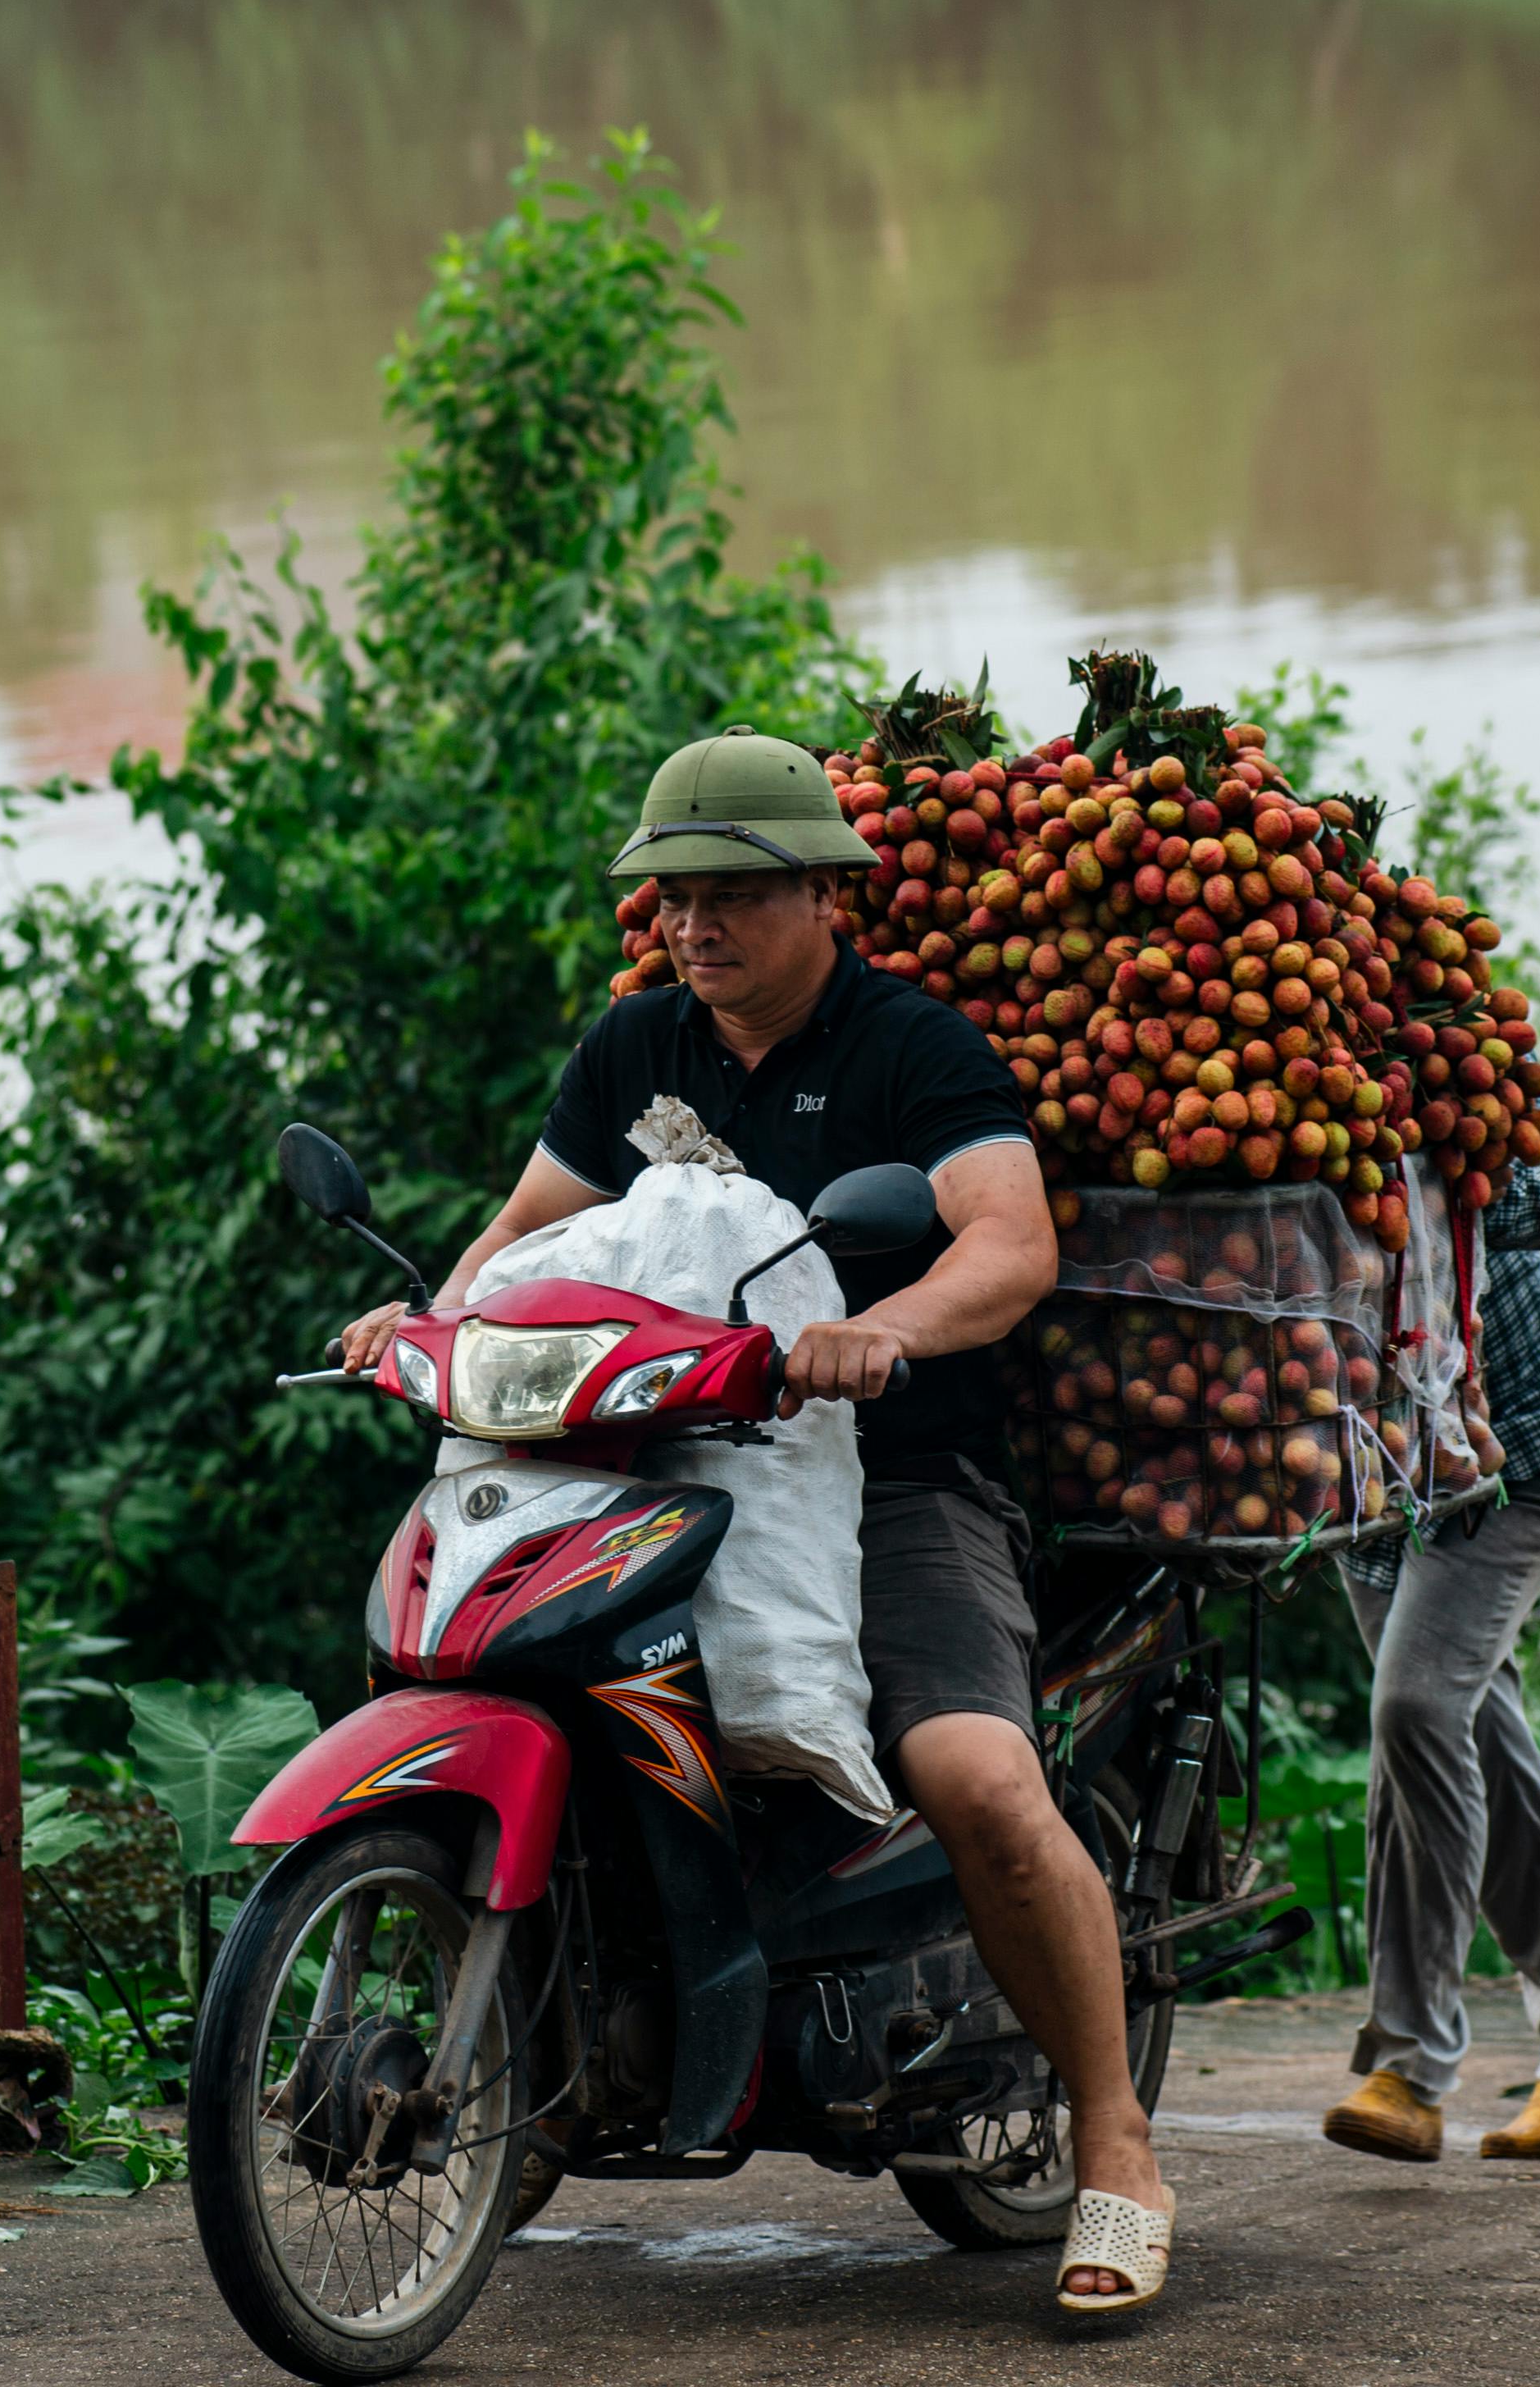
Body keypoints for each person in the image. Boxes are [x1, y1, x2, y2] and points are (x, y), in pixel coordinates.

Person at [335, 727, 1178, 2316]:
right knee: (533, 1689)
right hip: (650, 1464)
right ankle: (548, 2061)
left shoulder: (911, 1048)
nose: (691, 926)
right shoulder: (636, 1048)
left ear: (821, 893)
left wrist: (889, 1332)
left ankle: (1117, 2141)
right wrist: (427, 1320)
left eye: (730, 894)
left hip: (896, 1475)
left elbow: (1009, 1238)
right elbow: (525, 1229)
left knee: (973, 1773)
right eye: (670, 897)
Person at [1317, 1120, 1540, 2166]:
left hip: (1513, 1451)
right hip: (1369, 1484)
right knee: (1477, 1752)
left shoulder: (1438, 1031)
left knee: (1413, 1711)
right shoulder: (1250, 1077)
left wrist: (1421, 1189)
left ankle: (1410, 2064)